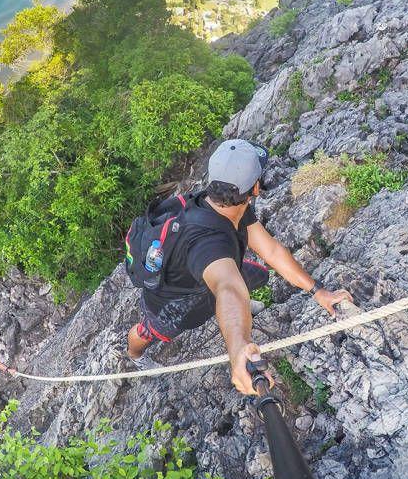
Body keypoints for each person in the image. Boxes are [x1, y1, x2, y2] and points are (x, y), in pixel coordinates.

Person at [127, 139, 353, 395]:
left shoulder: (227, 205)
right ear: (255, 187)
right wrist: (239, 349)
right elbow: (228, 288)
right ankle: (135, 356)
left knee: (259, 275)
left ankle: (235, 311)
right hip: (173, 303)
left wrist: (318, 291)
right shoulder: (208, 244)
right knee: (148, 332)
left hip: (205, 279)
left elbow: (270, 251)